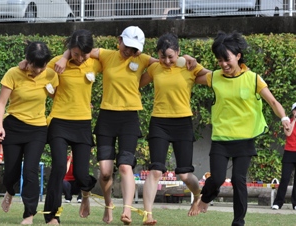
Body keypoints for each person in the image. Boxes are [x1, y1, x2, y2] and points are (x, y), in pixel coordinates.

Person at [55, 26, 196, 225]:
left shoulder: (144, 59)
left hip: (129, 119)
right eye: (127, 46)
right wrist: (63, 57)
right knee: (104, 172)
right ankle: (108, 204)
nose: (129, 52)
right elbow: (80, 49)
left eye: (134, 49)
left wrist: (187, 56)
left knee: (124, 166)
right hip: (107, 118)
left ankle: (127, 211)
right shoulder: (105, 55)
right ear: (119, 40)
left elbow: (168, 60)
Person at [195, 31, 290, 226]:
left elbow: (272, 101)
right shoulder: (215, 77)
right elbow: (193, 77)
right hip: (221, 138)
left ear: (238, 56)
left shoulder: (253, 79)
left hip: (244, 138)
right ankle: (205, 198)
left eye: (226, 59)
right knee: (218, 178)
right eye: (219, 60)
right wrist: (187, 61)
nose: (223, 64)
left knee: (239, 180)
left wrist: (284, 118)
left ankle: (239, 221)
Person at [139, 33, 210, 225]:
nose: (167, 61)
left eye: (171, 56)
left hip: (182, 123)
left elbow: (212, 77)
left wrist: (192, 61)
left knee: (184, 174)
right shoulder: (155, 67)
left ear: (178, 52)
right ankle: (148, 214)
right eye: (163, 57)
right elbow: (136, 83)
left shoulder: (188, 67)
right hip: (159, 122)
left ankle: (197, 195)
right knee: (155, 170)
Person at [0, 41, 59, 225]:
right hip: (13, 126)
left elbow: (60, 95)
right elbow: (1, 103)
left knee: (30, 171)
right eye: (35, 66)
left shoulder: (51, 75)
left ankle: (29, 214)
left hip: (37, 129)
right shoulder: (13, 73)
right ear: (27, 60)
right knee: (11, 174)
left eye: (43, 66)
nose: (39, 71)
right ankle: (9, 190)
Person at [41, 29, 100, 225]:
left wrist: (69, 55)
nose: (81, 58)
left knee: (81, 174)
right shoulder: (56, 64)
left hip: (82, 123)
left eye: (84, 53)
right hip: (59, 121)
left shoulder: (95, 61)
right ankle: (52, 215)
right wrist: (64, 58)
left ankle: (85, 194)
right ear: (69, 50)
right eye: (75, 53)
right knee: (59, 167)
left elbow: (119, 57)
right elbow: (38, 76)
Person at [272, 102, 296, 210]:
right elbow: (288, 133)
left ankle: (295, 203)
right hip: (289, 152)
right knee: (285, 178)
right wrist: (294, 120)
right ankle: (278, 203)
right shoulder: (288, 122)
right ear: (292, 111)